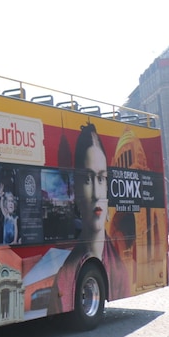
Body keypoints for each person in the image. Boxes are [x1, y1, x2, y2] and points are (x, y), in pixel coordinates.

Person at [49, 123, 130, 314]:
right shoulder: (64, 275)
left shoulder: (119, 271)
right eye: (87, 179)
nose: (96, 194)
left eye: (101, 178)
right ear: (74, 189)